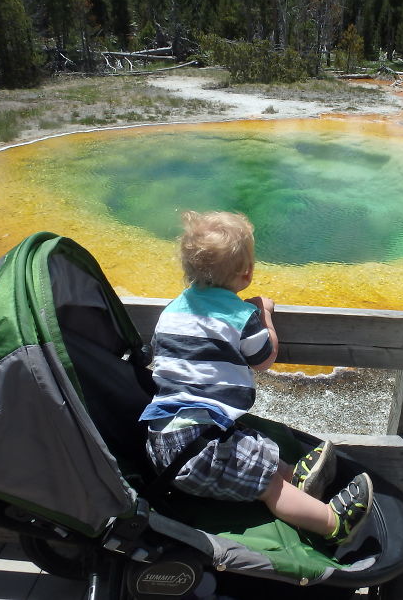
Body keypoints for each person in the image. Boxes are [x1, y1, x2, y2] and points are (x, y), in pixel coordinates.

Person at [141, 210, 373, 546]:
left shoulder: (171, 311)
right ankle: (332, 525)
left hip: (162, 440)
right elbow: (264, 359)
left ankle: (297, 479)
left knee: (250, 450)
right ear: (247, 273)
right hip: (200, 447)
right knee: (268, 487)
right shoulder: (240, 315)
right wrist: (263, 312)